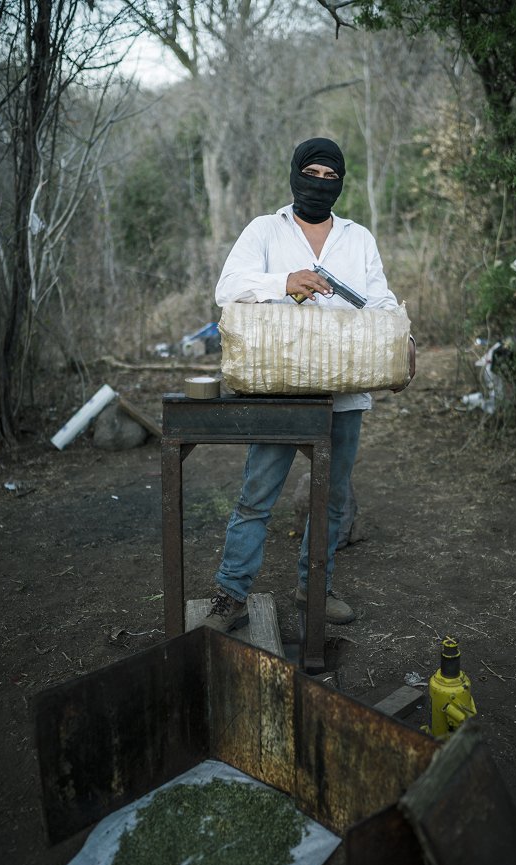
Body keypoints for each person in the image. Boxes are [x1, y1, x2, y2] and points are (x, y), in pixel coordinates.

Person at [202, 136, 414, 633]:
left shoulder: (358, 238)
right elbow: (226, 287)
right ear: (294, 174)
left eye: (330, 177)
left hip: (345, 390)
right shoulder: (264, 231)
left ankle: (314, 588)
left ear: (340, 184)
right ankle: (231, 594)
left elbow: (380, 303)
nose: (319, 185)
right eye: (311, 174)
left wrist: (404, 340)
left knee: (331, 498)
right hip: (280, 386)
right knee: (258, 495)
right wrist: (283, 282)